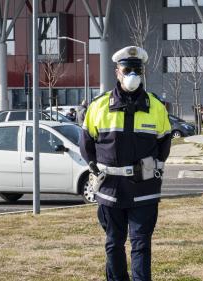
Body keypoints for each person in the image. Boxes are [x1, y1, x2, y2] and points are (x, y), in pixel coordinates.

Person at [79, 46, 171, 281]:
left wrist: (155, 165)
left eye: (137, 70)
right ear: (117, 72)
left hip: (144, 188)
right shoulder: (98, 106)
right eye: (127, 69)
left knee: (141, 244)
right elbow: (86, 141)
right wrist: (93, 165)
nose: (132, 74)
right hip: (110, 188)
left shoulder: (156, 106)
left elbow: (164, 141)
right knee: (114, 244)